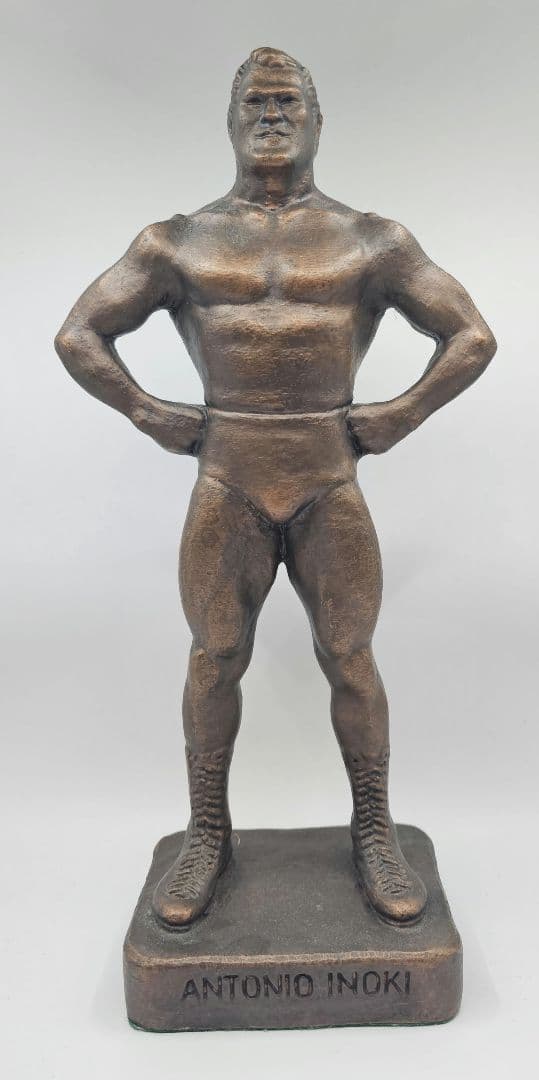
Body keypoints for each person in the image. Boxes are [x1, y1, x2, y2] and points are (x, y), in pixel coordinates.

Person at [55, 47, 496, 928]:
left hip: (327, 475)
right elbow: (79, 336)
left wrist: (400, 413)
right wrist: (147, 411)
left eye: (288, 102)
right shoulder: (176, 241)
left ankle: (373, 830)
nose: (271, 117)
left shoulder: (372, 240)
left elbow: (470, 337)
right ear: (228, 121)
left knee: (350, 656)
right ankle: (206, 834)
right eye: (254, 103)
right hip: (229, 476)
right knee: (215, 657)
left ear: (318, 122)